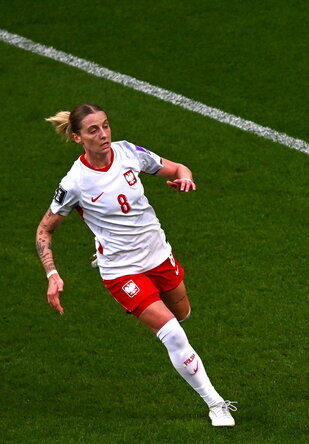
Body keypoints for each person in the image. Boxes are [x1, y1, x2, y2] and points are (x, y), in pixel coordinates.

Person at [36, 103, 236, 427]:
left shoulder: (128, 152)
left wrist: (184, 179)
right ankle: (216, 404)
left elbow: (177, 168)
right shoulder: (74, 183)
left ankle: (183, 351)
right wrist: (52, 273)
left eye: (105, 125)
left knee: (182, 315)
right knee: (172, 334)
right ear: (77, 138)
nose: (103, 134)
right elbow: (45, 229)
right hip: (120, 269)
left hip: (157, 253)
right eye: (93, 130)